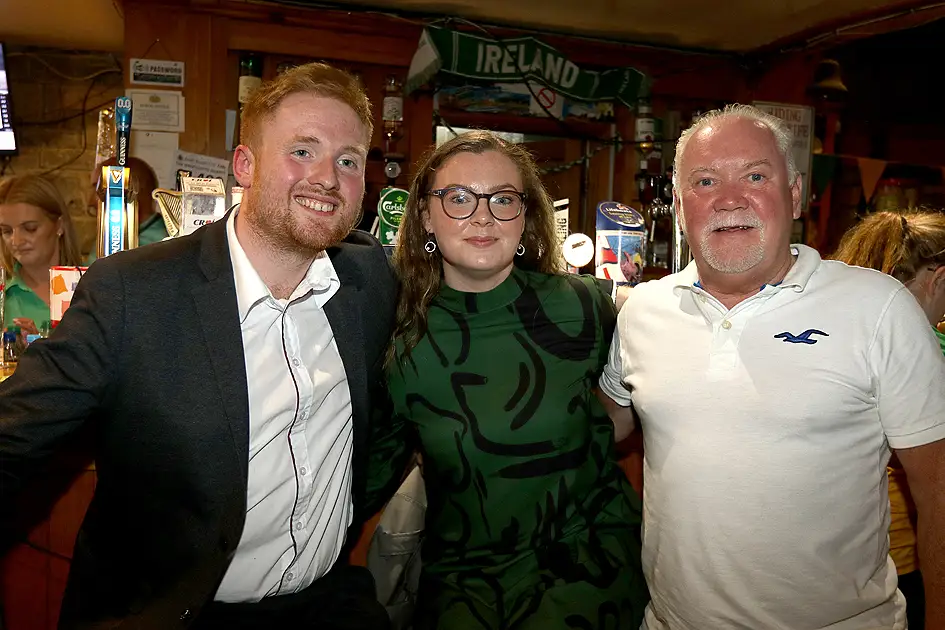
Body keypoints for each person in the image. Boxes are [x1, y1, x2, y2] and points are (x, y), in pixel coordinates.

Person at [0, 62, 396, 629]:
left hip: (325, 603)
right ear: (245, 165)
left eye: (349, 160)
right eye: (302, 151)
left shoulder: (369, 283)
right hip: (176, 612)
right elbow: (12, 438)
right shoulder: (131, 293)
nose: (328, 178)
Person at [598, 104, 945, 630]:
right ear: (677, 202)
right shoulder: (642, 309)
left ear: (796, 192)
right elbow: (603, 424)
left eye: (755, 175)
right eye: (705, 181)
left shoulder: (878, 308)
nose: (730, 199)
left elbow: (938, 489)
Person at [369, 130, 648, 629]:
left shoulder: (585, 305)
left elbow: (627, 409)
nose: (482, 215)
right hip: (464, 584)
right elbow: (365, 475)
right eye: (457, 198)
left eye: (503, 199)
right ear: (426, 217)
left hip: (588, 573)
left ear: (525, 216)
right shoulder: (397, 337)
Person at [831, 209, 945, 630]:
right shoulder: (917, 345)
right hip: (900, 553)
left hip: (836, 557)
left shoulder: (841, 328)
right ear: (938, 279)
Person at [0, 174, 82, 333]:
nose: (16, 241)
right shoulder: (5, 294)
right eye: (6, 231)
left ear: (59, 225)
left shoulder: (90, 288)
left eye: (30, 228)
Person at [86, 155, 169, 263]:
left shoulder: (160, 246)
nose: (91, 202)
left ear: (132, 191)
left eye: (100, 190)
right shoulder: (109, 238)